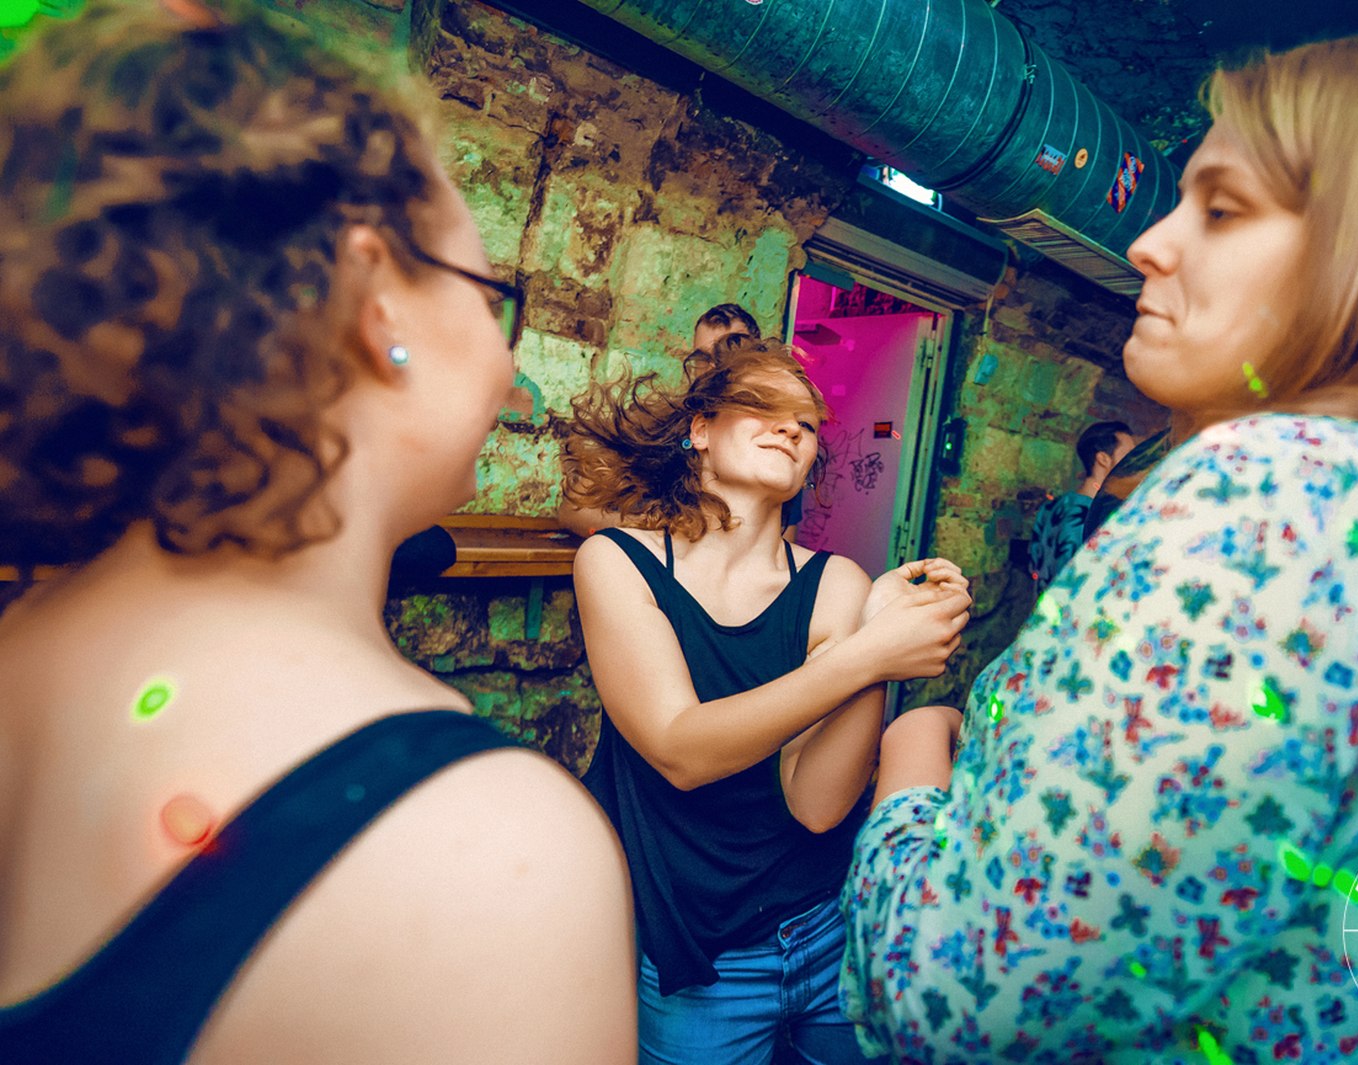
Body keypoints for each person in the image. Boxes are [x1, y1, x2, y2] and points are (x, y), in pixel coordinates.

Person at [839, 26, 1358, 1063]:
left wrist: (915, 763)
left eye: (1222, 208)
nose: (1149, 243)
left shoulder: (1276, 498)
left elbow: (953, 996)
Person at [0, 3, 634, 1064]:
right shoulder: (478, 852)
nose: (508, 367)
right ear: (376, 303)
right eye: (492, 298)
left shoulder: (22, 642)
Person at [563, 337, 970, 1063]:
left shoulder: (837, 582)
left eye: (806, 423)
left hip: (830, 929)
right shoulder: (618, 561)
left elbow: (816, 804)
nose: (789, 427)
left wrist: (881, 637)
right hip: (701, 954)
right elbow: (680, 750)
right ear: (701, 429)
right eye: (761, 406)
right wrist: (870, 652)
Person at [556, 302, 767, 537]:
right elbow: (573, 512)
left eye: (729, 352)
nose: (713, 368)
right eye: (702, 358)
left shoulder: (774, 442)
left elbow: (781, 541)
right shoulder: (652, 424)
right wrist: (655, 531)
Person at [1028, 420, 1135, 596]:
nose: (1135, 462)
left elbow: (1034, 565)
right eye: (1129, 455)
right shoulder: (1092, 517)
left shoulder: (1051, 506)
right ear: (1103, 459)